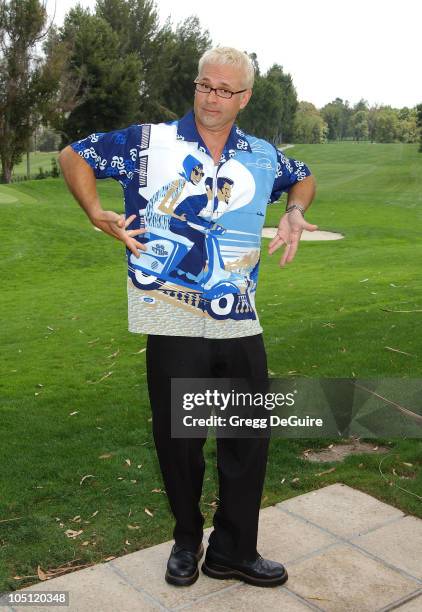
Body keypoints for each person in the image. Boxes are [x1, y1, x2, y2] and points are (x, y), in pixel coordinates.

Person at [59, 46, 317, 589]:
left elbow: (304, 176)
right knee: (179, 442)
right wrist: (93, 211)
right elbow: (73, 155)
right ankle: (185, 540)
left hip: (240, 319)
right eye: (205, 85)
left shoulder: (264, 155)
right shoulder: (148, 143)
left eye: (225, 90)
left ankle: (233, 550)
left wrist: (295, 211)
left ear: (244, 97)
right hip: (172, 318)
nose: (211, 98)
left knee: (247, 437)